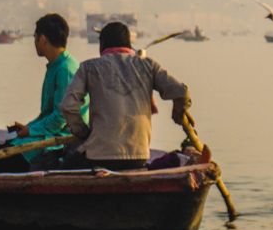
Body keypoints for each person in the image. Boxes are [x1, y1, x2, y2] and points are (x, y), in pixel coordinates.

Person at [60, 21, 190, 170]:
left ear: (102, 44)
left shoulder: (88, 68)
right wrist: (179, 109)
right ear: (129, 44)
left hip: (99, 157)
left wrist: (83, 133)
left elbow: (68, 106)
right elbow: (181, 92)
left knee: (63, 163)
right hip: (139, 156)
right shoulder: (149, 65)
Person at [0, 13, 87, 173]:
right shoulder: (56, 66)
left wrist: (30, 131)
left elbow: (60, 118)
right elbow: (48, 113)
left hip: (60, 140)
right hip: (48, 133)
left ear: (43, 39)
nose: (34, 43)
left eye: (35, 37)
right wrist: (29, 127)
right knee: (0, 151)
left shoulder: (66, 69)